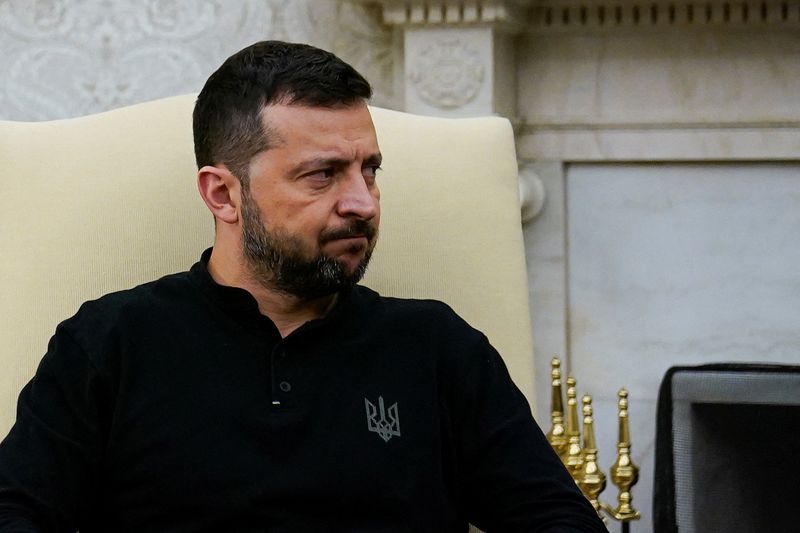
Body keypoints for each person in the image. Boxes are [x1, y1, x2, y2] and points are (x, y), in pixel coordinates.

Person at [0, 41, 606, 532]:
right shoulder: (110, 342)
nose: (363, 203)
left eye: (370, 170)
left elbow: (554, 519)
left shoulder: (436, 346)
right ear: (222, 194)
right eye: (323, 175)